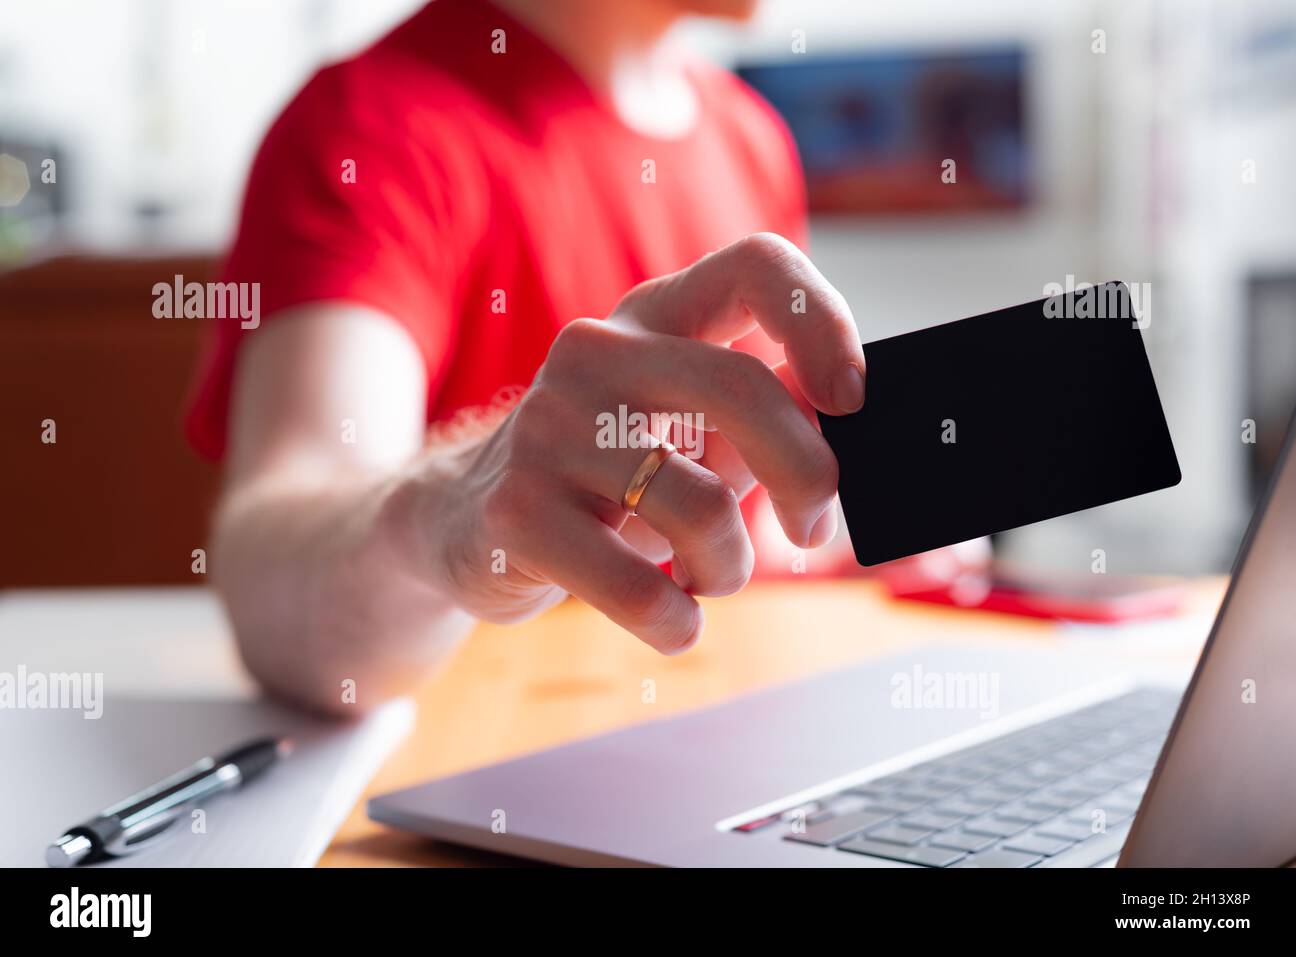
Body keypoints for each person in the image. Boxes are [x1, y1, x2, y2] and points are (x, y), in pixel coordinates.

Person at [185, 0, 960, 717]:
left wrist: (858, 541)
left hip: (732, 734)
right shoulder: (365, 128)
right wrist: (446, 511)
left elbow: (736, 535)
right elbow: (270, 569)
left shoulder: (749, 133)